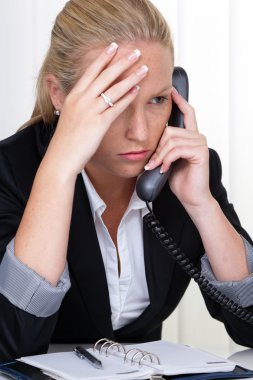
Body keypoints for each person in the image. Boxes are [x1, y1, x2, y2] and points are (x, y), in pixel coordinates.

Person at [0, 0, 253, 361]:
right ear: (59, 94)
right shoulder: (10, 170)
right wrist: (58, 172)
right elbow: (10, 344)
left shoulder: (186, 169)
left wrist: (201, 204)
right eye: (114, 100)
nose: (140, 133)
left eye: (157, 100)